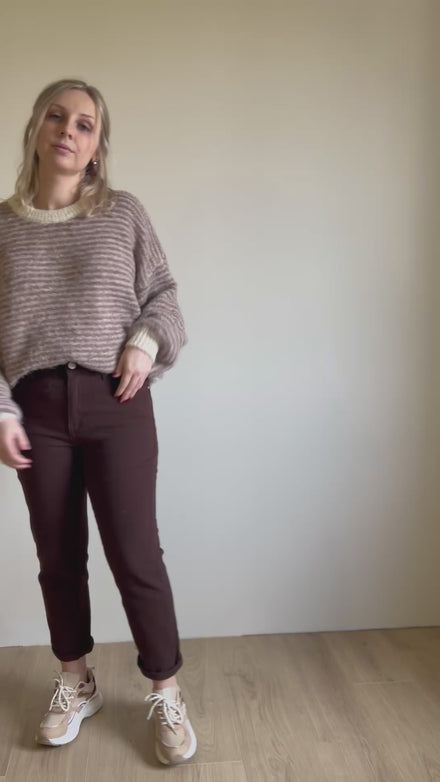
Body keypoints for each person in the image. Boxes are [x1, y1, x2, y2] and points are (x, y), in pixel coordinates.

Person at [0, 78, 196, 766]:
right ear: (35, 128)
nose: (68, 130)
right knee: (57, 555)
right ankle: (76, 681)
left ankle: (165, 688)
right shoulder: (2, 228)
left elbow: (164, 297)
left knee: (136, 554)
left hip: (117, 403)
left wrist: (144, 341)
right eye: (57, 117)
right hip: (37, 411)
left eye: (85, 124)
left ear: (96, 148)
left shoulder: (122, 214)